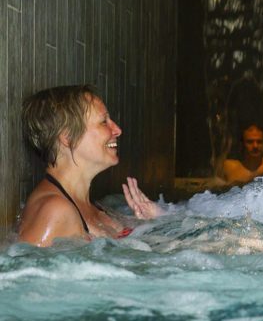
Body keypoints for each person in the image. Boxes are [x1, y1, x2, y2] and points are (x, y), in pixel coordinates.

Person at [18, 85, 162, 247]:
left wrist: (154, 223)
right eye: (103, 122)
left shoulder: (93, 207)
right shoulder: (54, 211)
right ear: (68, 136)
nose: (117, 130)